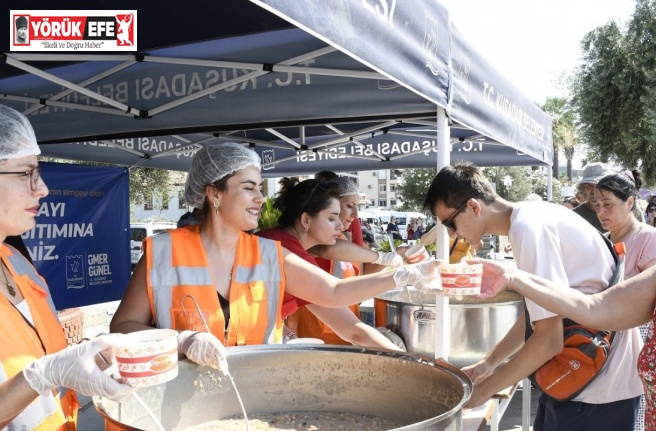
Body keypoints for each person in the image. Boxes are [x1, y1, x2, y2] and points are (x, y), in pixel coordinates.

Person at [111, 143, 437, 368]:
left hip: (255, 399)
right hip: (177, 408)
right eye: (249, 188)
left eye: (260, 188)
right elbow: (121, 327)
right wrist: (181, 340)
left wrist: (399, 274)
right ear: (213, 194)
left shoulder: (270, 254)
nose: (259, 199)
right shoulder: (164, 252)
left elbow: (334, 292)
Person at [467, 162, 656, 429]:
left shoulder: (650, 241)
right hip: (582, 379)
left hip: (603, 387)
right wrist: (514, 278)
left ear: (629, 203)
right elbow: (592, 308)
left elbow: (559, 329)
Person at [423, 162, 643, 431]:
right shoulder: (530, 218)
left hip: (596, 391)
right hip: (582, 379)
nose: (452, 233)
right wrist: (488, 364)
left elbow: (549, 341)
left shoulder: (527, 230)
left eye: (449, 222)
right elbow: (542, 316)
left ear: (473, 206)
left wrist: (480, 394)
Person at [0, 105, 133, 430]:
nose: (42, 188)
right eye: (25, 173)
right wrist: (43, 375)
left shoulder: (19, 264)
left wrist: (91, 357)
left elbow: (44, 353)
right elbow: (43, 372)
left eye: (38, 172)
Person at [258, 176, 398, 348]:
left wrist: (287, 335)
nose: (340, 226)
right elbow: (336, 294)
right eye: (332, 218)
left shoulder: (285, 245)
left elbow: (353, 330)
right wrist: (404, 276)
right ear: (306, 220)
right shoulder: (280, 249)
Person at [593, 170, 656, 431]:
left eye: (608, 205)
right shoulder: (601, 242)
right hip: (600, 351)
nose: (601, 212)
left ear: (629, 203)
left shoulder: (649, 238)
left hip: (637, 352)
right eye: (597, 206)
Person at [314, 170, 363, 246]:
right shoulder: (316, 233)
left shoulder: (340, 236)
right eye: (349, 206)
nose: (356, 215)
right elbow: (328, 250)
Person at [573, 162, 615, 232]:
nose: (593, 191)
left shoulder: (618, 210)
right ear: (584, 189)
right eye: (589, 186)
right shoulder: (575, 217)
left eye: (598, 186)